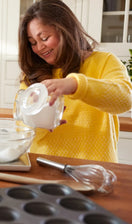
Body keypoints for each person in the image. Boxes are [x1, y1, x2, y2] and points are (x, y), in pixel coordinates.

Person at [18, 0, 132, 162]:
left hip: (95, 169)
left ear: (65, 29)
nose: (39, 48)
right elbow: (22, 128)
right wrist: (38, 120)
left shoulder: (104, 61)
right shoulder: (33, 76)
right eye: (33, 43)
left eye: (44, 37)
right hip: (44, 168)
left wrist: (75, 85)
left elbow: (125, 100)